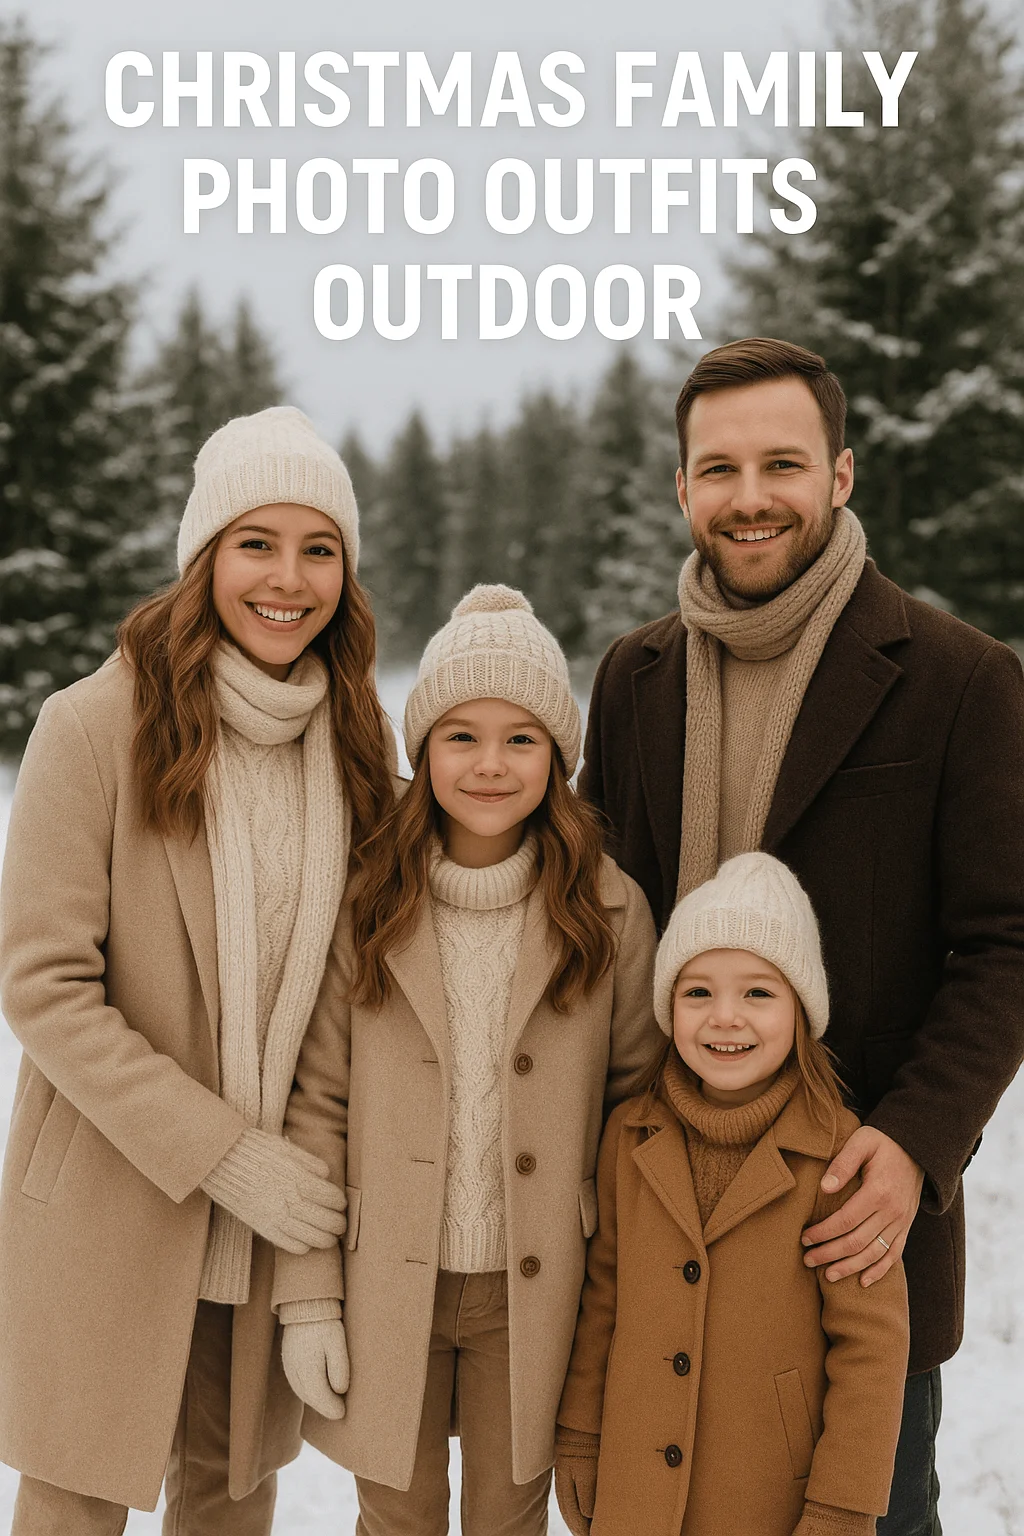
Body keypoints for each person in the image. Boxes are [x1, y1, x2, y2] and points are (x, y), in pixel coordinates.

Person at [579, 337, 1024, 1535]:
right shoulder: (633, 679)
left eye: (782, 463)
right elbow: (599, 925)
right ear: (681, 489)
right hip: (666, 1217)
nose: (749, 496)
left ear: (838, 475)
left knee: (867, 1516)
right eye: (717, 469)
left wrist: (916, 1139)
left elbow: (1005, 942)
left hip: (844, 1219)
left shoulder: (956, 677)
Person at [0, 406, 396, 1533]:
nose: (288, 579)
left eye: (318, 549)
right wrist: (222, 1156)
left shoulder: (362, 746)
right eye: (255, 544)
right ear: (203, 558)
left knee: (230, 1508)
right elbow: (42, 986)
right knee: (74, 1506)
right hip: (114, 1203)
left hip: (272, 1235)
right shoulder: (92, 729)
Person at [272, 584, 663, 1536]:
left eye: (522, 738)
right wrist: (308, 1299)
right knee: (395, 1518)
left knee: (509, 1517)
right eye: (461, 736)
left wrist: (625, 1302)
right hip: (385, 1280)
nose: (491, 764)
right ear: (423, 749)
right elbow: (317, 1105)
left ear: (559, 757)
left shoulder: (608, 911)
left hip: (537, 1290)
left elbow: (637, 1107)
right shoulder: (369, 899)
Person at [555, 852, 910, 1536]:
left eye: (757, 993)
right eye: (698, 993)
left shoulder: (840, 1155)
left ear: (800, 1009)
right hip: (636, 1489)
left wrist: (843, 1504)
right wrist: (578, 1433)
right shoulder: (629, 1134)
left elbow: (872, 1349)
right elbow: (602, 1298)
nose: (725, 1018)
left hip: (766, 1496)